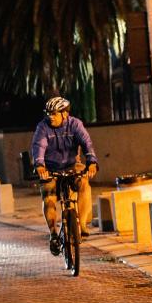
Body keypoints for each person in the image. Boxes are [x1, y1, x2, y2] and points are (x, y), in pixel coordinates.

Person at [30, 96, 98, 256]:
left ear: (65, 114)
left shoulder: (75, 124)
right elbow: (38, 146)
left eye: (54, 113)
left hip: (72, 165)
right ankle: (53, 234)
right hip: (50, 168)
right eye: (48, 113)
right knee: (49, 197)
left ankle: (81, 224)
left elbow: (87, 142)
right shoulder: (43, 127)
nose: (50, 117)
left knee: (84, 183)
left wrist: (92, 161)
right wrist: (39, 165)